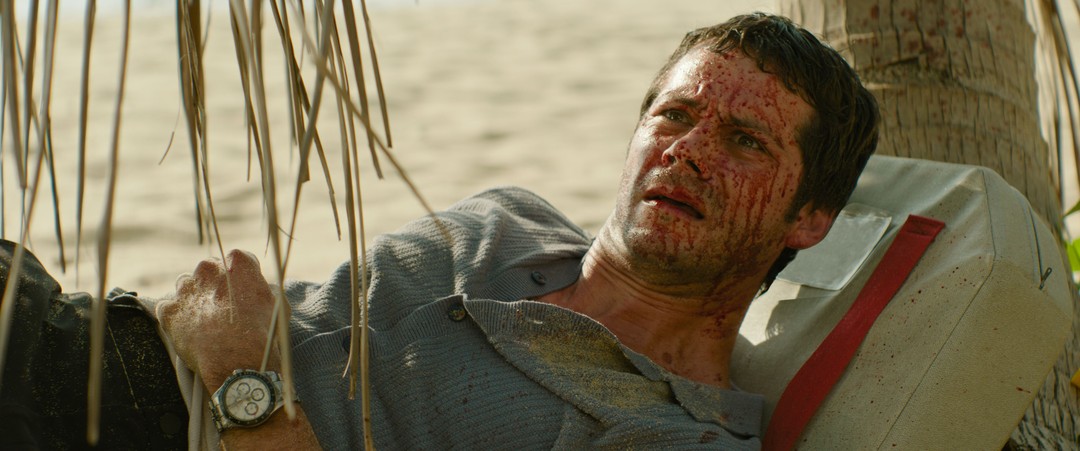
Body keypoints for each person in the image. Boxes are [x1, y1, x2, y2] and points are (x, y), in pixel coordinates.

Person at [1, 12, 879, 450]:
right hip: (82, 338)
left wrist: (242, 379)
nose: (688, 152)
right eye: (675, 115)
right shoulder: (511, 218)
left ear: (810, 217)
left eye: (745, 141)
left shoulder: (667, 433)